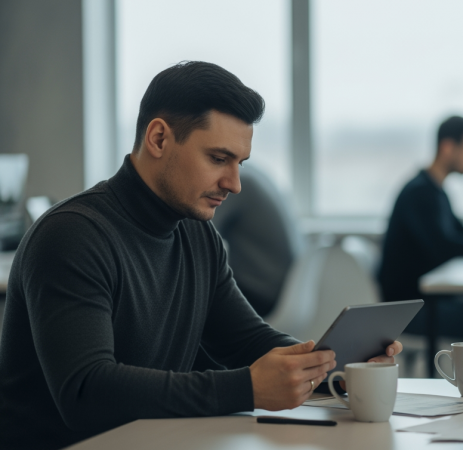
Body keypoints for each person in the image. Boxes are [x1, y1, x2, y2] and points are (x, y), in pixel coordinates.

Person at [0, 61, 401, 450]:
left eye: (239, 163)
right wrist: (247, 388)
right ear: (159, 139)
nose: (234, 184)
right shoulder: (72, 236)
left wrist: (337, 367)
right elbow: (86, 393)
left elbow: (246, 339)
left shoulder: (196, 233)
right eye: (218, 159)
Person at [379, 115, 463, 302]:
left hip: (429, 300)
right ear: (447, 147)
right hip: (412, 306)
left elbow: (462, 235)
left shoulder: (436, 192)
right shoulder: (420, 193)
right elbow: (446, 248)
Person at [212, 164, 304, 317]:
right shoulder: (254, 174)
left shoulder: (237, 181)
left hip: (262, 293)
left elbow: (199, 231)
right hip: (283, 289)